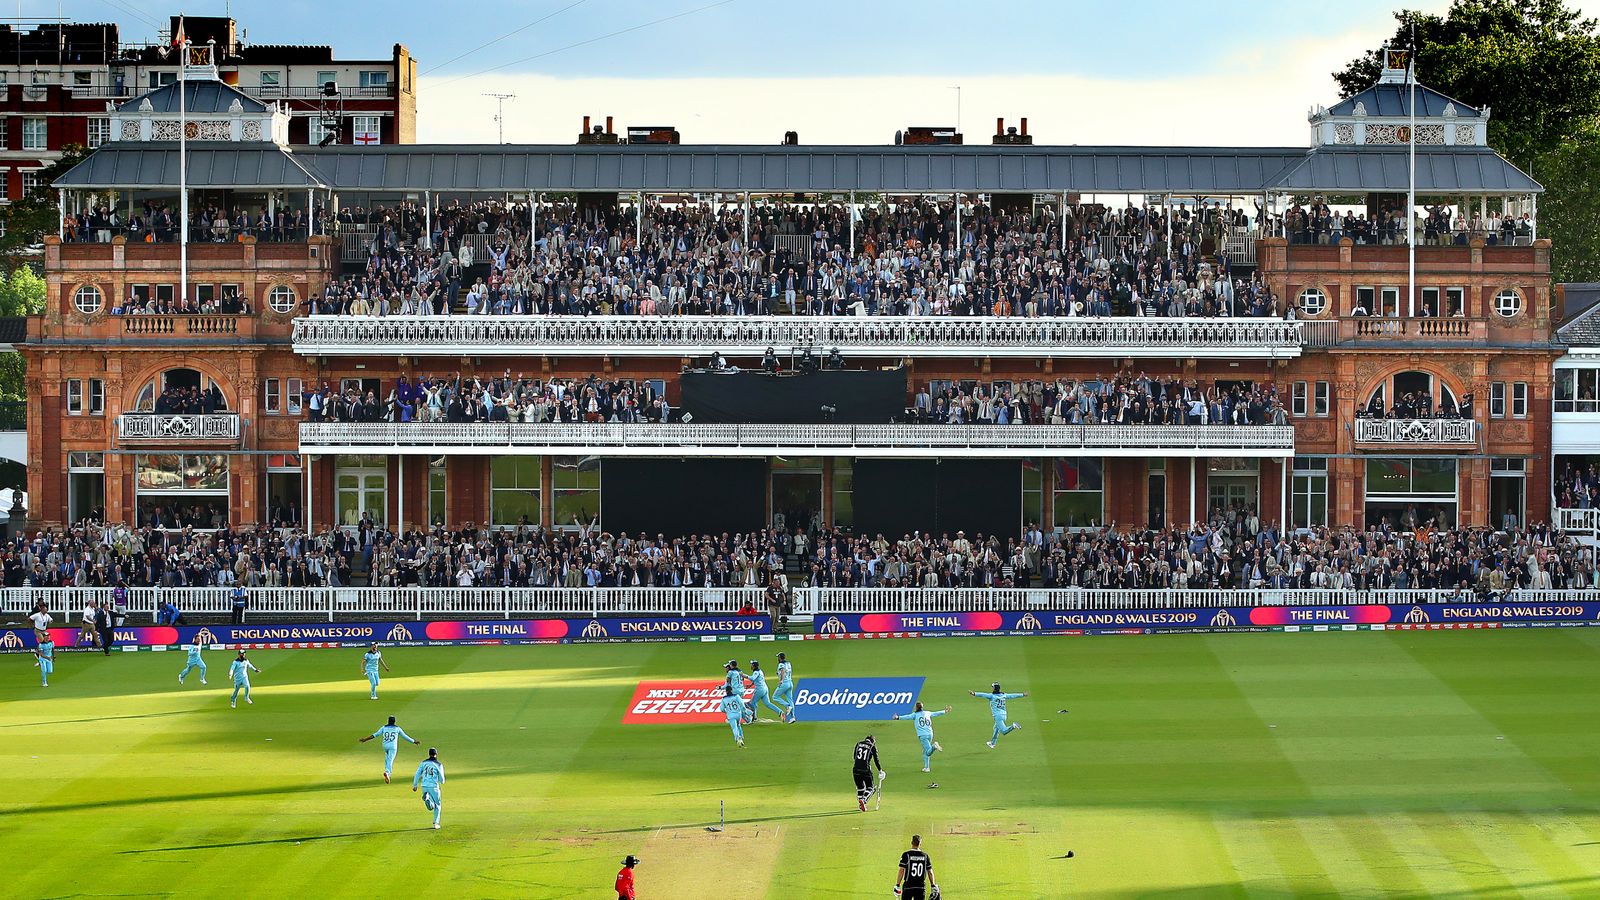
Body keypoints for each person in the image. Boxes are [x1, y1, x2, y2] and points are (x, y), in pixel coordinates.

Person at [893, 702, 952, 772]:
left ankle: (934, 746)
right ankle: (927, 768)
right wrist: (944, 711)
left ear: (917, 708)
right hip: (930, 733)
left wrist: (898, 717)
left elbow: (907, 717)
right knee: (924, 752)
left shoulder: (915, 715)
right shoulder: (927, 713)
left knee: (928, 752)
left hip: (922, 735)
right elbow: (936, 713)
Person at [359, 714, 419, 783]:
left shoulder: (384, 728)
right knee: (390, 760)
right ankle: (387, 773)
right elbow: (405, 736)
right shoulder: (397, 728)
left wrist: (365, 739)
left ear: (388, 721)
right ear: (394, 722)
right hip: (393, 746)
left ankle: (387, 774)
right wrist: (414, 741)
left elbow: (375, 735)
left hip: (385, 746)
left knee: (387, 759)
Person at [970, 683, 1028, 749]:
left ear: (994, 688)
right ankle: (992, 743)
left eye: (992, 687)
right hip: (1004, 715)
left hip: (998, 716)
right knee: (996, 728)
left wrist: (974, 693)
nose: (992, 688)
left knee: (1004, 731)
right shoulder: (1004, 695)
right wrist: (1023, 694)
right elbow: (1013, 695)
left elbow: (983, 694)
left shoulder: (991, 696)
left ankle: (1013, 726)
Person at [412, 747, 445, 829]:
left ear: (429, 754)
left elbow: (417, 774)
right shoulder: (439, 764)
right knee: (437, 805)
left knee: (431, 807)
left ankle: (427, 799)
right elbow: (442, 779)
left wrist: (415, 785)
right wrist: (441, 781)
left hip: (424, 786)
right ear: (436, 754)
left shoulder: (423, 763)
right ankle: (435, 823)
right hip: (433, 786)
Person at [896, 834, 936, 900]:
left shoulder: (906, 855)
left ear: (911, 842)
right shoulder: (925, 856)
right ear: (920, 844)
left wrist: (897, 884)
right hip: (920, 887)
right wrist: (933, 885)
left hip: (908, 886)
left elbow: (901, 870)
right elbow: (930, 872)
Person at [852, 734, 885, 811]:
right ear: (873, 741)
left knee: (860, 788)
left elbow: (854, 757)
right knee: (870, 788)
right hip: (865, 770)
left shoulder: (858, 744)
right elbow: (876, 760)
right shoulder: (872, 746)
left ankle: (861, 805)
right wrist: (880, 770)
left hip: (855, 769)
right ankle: (863, 800)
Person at [724, 659, 752, 724]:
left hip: (735, 691)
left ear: (731, 665)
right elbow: (742, 679)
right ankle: (748, 720)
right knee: (738, 705)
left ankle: (749, 712)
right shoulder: (740, 671)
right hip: (741, 690)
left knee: (735, 706)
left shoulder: (730, 672)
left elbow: (727, 681)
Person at [719, 684, 746, 748]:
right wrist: (744, 710)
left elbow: (722, 709)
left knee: (734, 728)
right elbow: (742, 704)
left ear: (726, 691)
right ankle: (741, 738)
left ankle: (737, 739)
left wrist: (726, 712)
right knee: (739, 725)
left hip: (731, 715)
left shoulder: (724, 699)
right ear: (732, 690)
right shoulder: (736, 696)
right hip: (738, 714)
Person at [772, 652, 796, 723]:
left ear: (779, 657)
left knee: (775, 697)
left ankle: (787, 706)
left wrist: (781, 680)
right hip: (790, 682)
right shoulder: (788, 664)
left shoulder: (781, 664)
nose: (777, 659)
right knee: (790, 699)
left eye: (778, 657)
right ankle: (792, 717)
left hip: (784, 683)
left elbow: (783, 671)